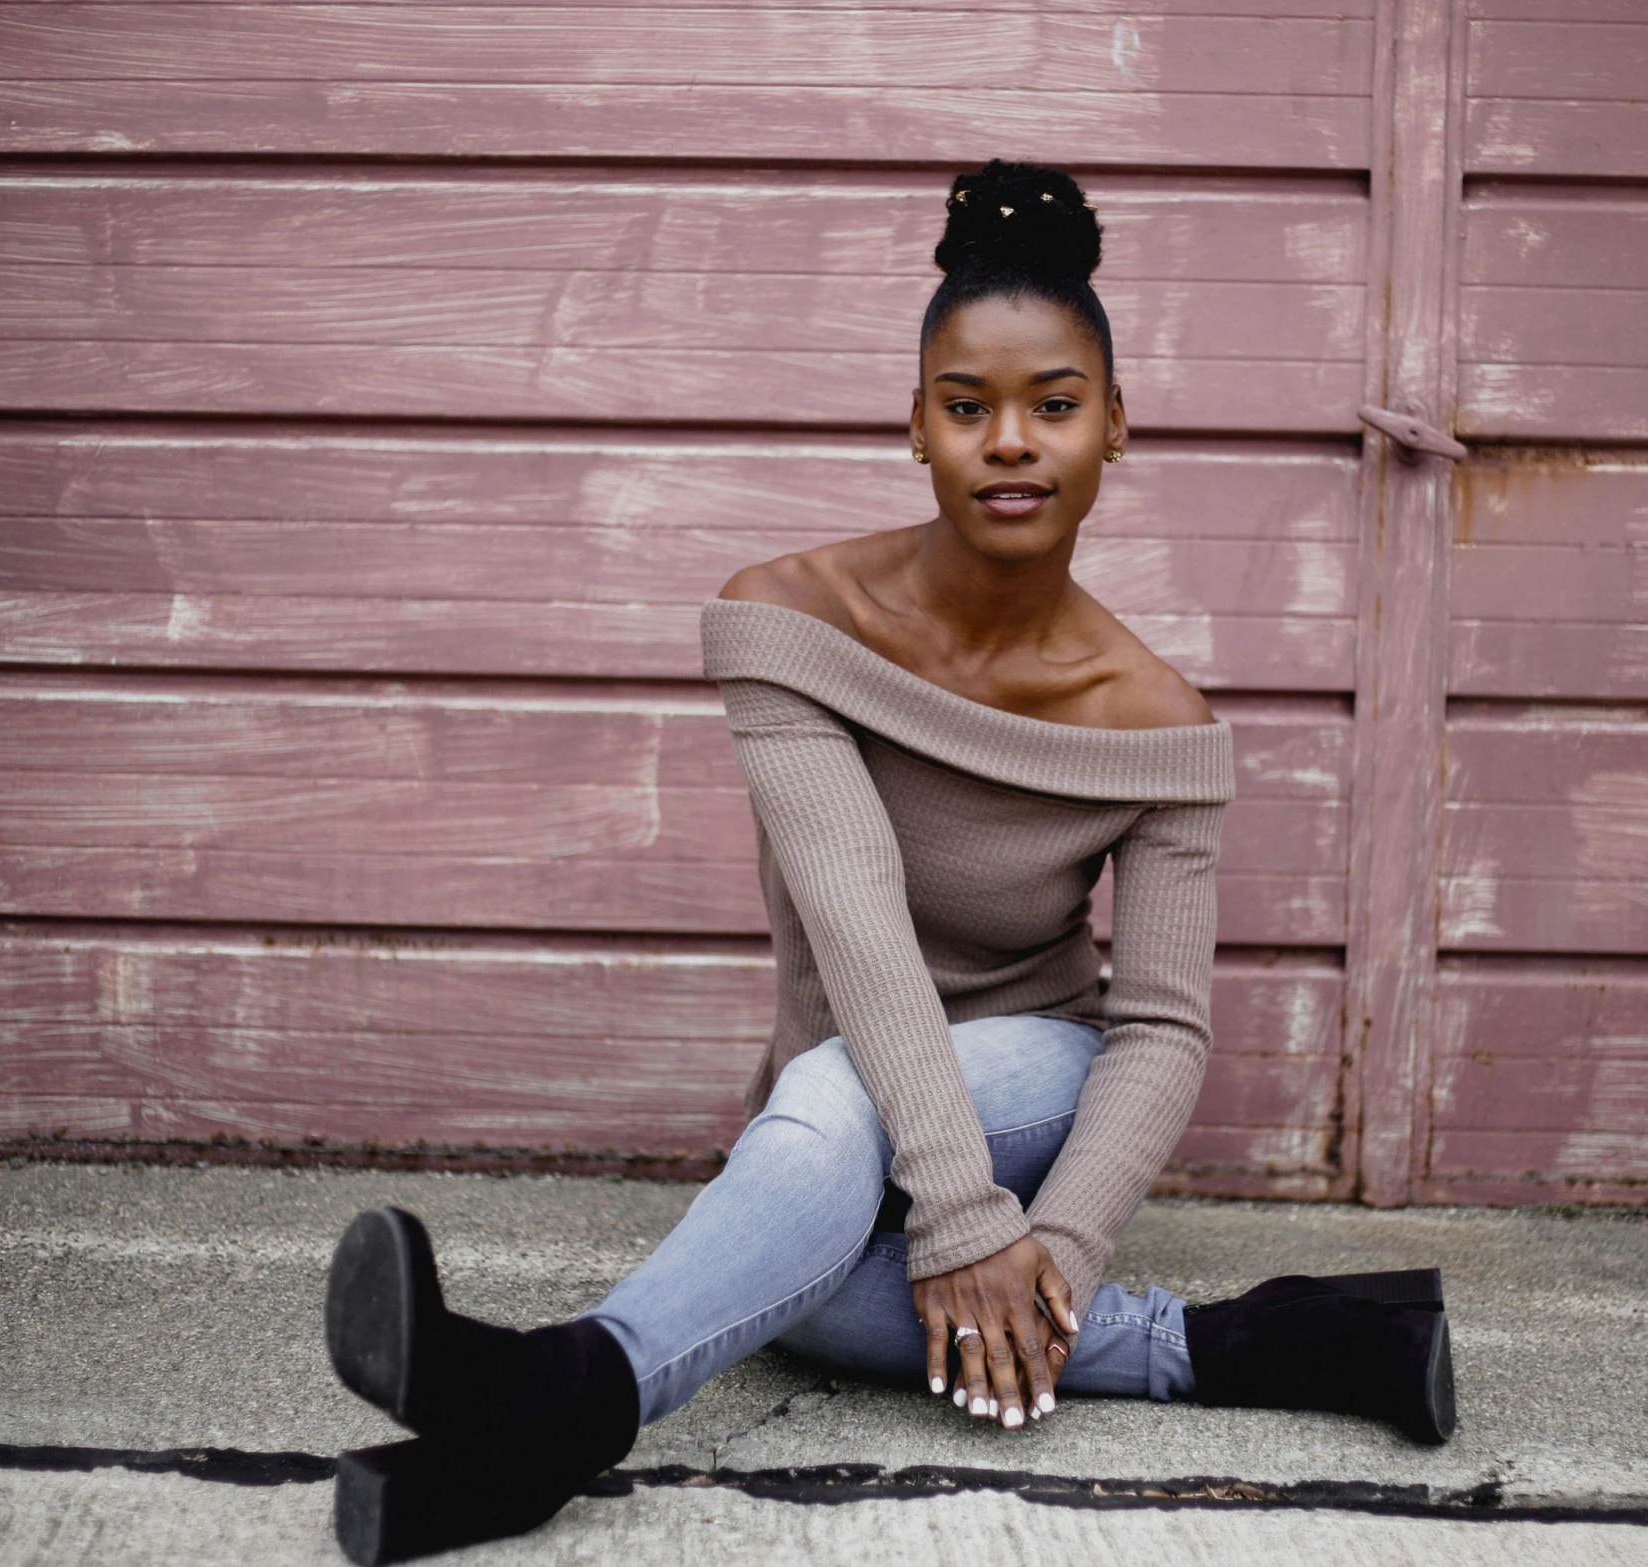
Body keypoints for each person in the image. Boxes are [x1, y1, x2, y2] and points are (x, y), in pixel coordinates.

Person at [318, 159, 1457, 1565]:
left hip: (1032, 1066)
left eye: (1053, 404)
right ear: (915, 427)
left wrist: (1038, 1232)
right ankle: (1279, 1339)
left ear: (1115, 427)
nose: (1011, 442)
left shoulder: (1153, 720)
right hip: (856, 1081)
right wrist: (958, 1229)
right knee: (801, 1281)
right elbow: (853, 915)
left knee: (827, 1107)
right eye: (967, 407)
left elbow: (1159, 1029)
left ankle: (553, 1394)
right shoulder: (790, 623)